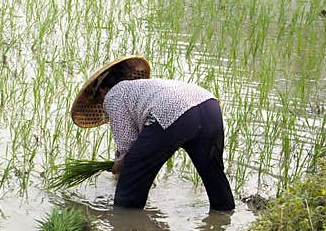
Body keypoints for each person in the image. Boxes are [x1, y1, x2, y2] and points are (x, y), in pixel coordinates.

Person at [70, 56, 235, 211]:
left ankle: (124, 226)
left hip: (173, 113)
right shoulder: (142, 88)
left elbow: (128, 147)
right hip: (209, 106)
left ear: (102, 91)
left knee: (131, 175)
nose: (103, 103)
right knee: (213, 173)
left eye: (99, 98)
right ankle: (224, 215)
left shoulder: (114, 95)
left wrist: (119, 166)